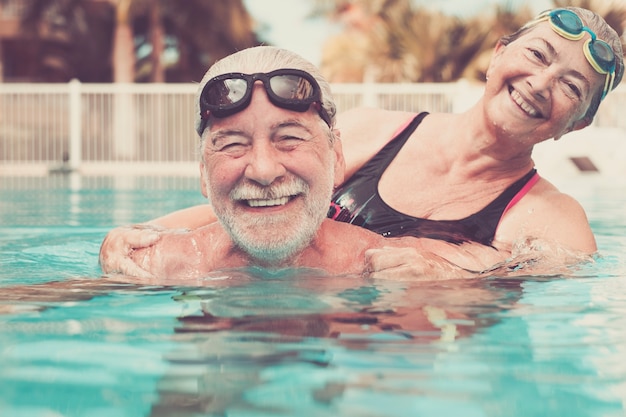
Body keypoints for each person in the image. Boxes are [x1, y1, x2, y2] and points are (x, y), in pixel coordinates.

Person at [100, 7, 623, 278]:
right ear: (497, 54)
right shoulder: (378, 131)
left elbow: (543, 302)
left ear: (576, 125)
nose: (540, 83)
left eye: (571, 87)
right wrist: (142, 232)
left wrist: (463, 269)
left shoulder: (557, 221)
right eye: (537, 55)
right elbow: (265, 197)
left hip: (389, 355)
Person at [100, 46, 504, 280]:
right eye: (233, 145)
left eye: (289, 139)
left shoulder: (385, 264)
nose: (262, 170)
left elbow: (518, 267)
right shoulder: (156, 265)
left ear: (337, 156)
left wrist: (452, 275)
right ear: (203, 174)